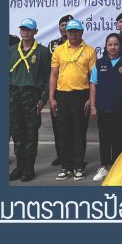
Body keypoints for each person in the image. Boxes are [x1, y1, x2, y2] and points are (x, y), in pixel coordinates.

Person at [48, 18, 97, 181]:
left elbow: (92, 78)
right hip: (62, 95)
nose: (73, 34)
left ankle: (78, 166)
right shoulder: (59, 50)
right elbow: (53, 75)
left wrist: (90, 99)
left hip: (81, 95)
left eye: (76, 31)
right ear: (66, 32)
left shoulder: (89, 51)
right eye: (70, 31)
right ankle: (66, 167)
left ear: (81, 32)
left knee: (79, 132)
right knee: (63, 132)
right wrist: (51, 97)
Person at [9, 18, 51, 182]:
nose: (25, 32)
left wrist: (43, 99)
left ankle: (28, 168)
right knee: (17, 133)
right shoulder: (12, 50)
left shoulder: (42, 52)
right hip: (14, 95)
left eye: (29, 29)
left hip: (32, 95)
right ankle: (19, 166)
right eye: (23, 29)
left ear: (35, 32)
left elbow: (48, 78)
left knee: (31, 133)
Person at [89, 34, 122, 182]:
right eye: (110, 44)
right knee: (104, 138)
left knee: (119, 139)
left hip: (120, 109)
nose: (113, 47)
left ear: (120, 46)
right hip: (103, 108)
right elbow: (93, 85)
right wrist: (93, 106)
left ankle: (118, 168)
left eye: (116, 44)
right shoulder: (100, 63)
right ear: (106, 46)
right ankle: (104, 167)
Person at [46, 13, 74, 167]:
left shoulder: (79, 44)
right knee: (58, 126)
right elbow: (50, 71)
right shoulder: (53, 45)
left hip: (73, 89)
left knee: (73, 126)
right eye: (62, 25)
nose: (64, 28)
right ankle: (61, 155)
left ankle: (74, 156)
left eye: (67, 25)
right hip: (57, 90)